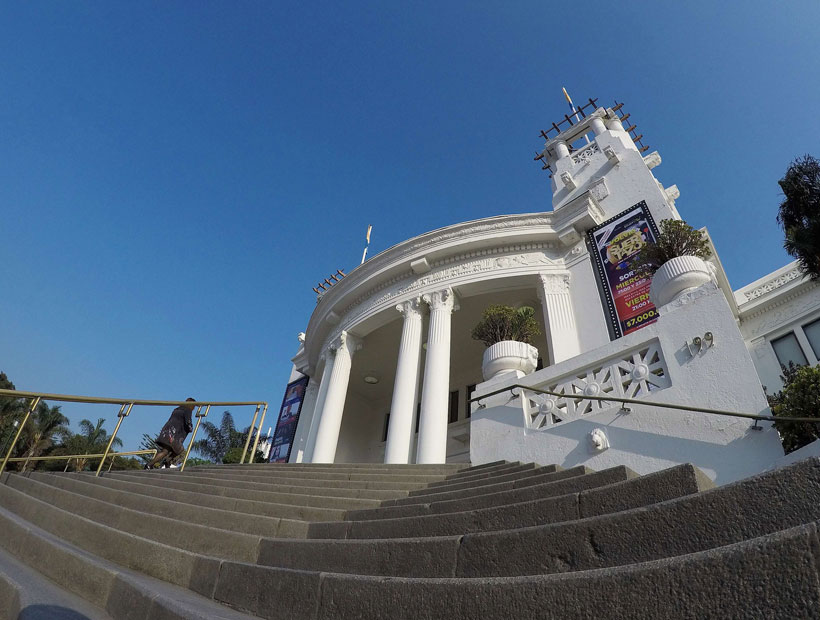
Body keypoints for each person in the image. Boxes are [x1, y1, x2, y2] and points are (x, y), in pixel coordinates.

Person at [144, 398, 196, 470]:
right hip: (173, 433)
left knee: (166, 450)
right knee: (179, 449)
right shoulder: (187, 410)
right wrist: (190, 428)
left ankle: (156, 463)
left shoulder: (177, 409)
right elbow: (188, 422)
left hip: (166, 431)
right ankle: (160, 462)